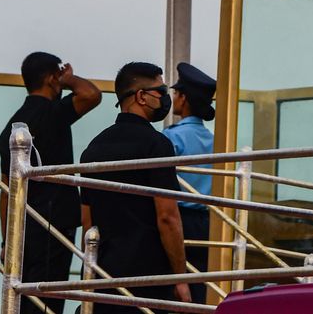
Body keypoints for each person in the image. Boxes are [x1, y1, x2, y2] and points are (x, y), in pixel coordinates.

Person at [80, 62, 191, 311]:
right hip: (148, 277)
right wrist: (181, 278)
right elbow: (167, 217)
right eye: (160, 91)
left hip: (104, 277)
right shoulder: (157, 145)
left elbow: (87, 223)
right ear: (141, 96)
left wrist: (89, 276)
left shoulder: (93, 148)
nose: (165, 98)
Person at [0, 52, 102, 314]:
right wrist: (69, 80)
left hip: (23, 227)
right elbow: (91, 95)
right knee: (49, 300)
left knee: (24, 297)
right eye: (58, 75)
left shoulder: (12, 127)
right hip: (54, 224)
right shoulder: (53, 113)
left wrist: (6, 242)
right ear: (50, 78)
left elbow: (6, 191)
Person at [164, 63, 217, 305]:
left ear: (183, 98)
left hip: (179, 219)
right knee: (201, 291)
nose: (173, 98)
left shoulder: (171, 138)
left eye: (176, 93)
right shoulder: (214, 140)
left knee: (174, 290)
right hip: (208, 222)